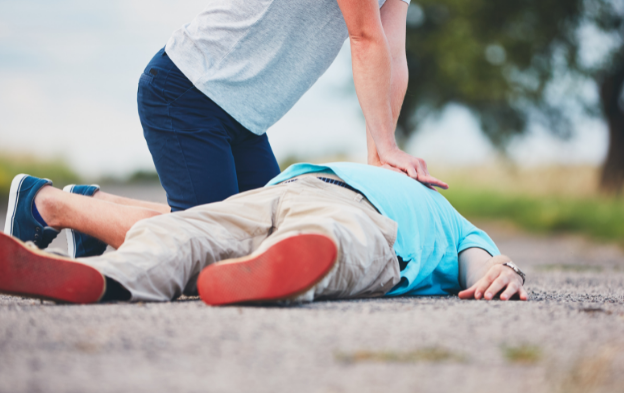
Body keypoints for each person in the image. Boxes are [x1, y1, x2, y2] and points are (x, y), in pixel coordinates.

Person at [0, 163, 527, 306]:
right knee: (184, 231)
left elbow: (484, 266)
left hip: (362, 218)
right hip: (282, 190)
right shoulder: (376, 165)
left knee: (330, 235)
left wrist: (504, 271)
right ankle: (98, 275)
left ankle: (270, 271)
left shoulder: (457, 223)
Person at [134, 0, 447, 214]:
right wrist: (388, 146)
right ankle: (87, 208)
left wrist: (379, 159)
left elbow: (392, 55)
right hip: (188, 91)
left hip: (246, 121)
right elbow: (364, 37)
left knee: (269, 244)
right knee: (212, 247)